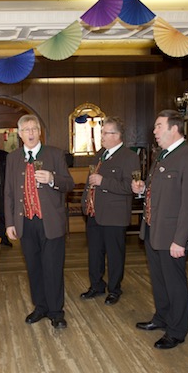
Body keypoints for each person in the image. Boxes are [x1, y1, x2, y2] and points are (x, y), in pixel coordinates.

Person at [131, 109, 188, 349]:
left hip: (173, 234)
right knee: (159, 280)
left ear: (174, 128)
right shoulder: (162, 155)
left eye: (158, 126)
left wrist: (180, 239)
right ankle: (161, 317)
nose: (154, 131)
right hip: (153, 229)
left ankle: (176, 330)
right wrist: (142, 189)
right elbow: (158, 191)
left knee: (174, 283)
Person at [5, 114, 74, 329]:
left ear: (40, 132)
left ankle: (56, 311)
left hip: (50, 222)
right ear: (20, 134)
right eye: (26, 130)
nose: (31, 133)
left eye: (34, 129)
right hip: (25, 222)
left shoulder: (54, 154)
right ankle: (40, 307)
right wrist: (9, 223)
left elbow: (69, 184)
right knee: (33, 267)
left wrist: (53, 179)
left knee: (53, 267)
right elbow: (8, 192)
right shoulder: (13, 158)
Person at [80, 117, 139, 306]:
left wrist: (103, 182)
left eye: (105, 133)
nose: (102, 136)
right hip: (94, 213)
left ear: (117, 135)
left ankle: (114, 289)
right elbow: (90, 181)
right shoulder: (100, 154)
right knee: (94, 253)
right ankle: (96, 285)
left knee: (115, 255)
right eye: (102, 133)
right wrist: (85, 203)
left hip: (114, 215)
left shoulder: (129, 157)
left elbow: (129, 187)